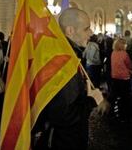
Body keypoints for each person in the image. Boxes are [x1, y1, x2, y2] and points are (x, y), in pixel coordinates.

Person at [34, 8, 108, 150]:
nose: (91, 33)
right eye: (86, 29)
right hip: (63, 141)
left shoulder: (68, 56)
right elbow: (63, 115)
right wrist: (92, 100)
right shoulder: (64, 63)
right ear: (70, 31)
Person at [110, 38, 132, 121]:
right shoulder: (124, 54)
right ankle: (124, 115)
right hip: (124, 78)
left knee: (115, 96)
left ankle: (113, 113)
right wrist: (131, 70)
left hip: (115, 77)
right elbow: (130, 65)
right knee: (125, 97)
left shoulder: (113, 53)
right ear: (123, 45)